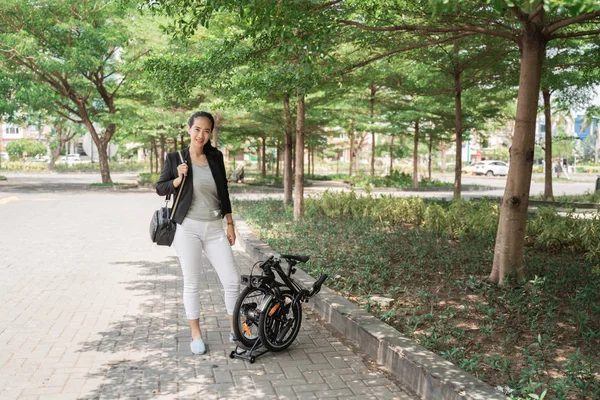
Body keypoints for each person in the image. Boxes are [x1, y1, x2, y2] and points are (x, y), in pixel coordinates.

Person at [156, 111, 239, 355]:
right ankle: (196, 334)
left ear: (210, 133)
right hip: (188, 227)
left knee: (232, 280)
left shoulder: (216, 157)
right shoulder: (175, 158)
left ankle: (235, 330)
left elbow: (223, 190)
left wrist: (230, 223)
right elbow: (160, 188)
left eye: (206, 131)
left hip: (214, 227)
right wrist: (177, 179)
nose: (201, 135)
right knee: (193, 282)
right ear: (189, 129)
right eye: (197, 129)